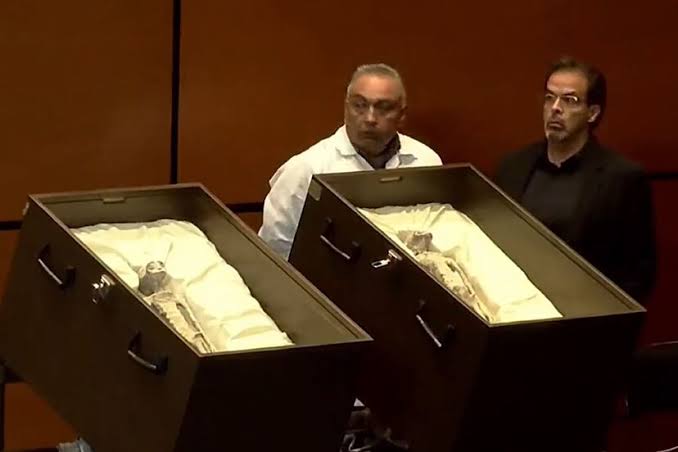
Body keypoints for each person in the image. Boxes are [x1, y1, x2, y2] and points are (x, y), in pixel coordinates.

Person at [495, 57, 656, 303]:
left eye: (569, 100)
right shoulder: (512, 167)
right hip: (514, 309)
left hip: (586, 313)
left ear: (592, 113)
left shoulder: (622, 178)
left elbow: (638, 272)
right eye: (549, 98)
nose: (555, 108)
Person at [259, 63, 442, 259]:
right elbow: (275, 252)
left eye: (383, 108)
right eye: (359, 105)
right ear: (346, 107)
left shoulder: (425, 161)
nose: (370, 118)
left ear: (402, 115)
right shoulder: (306, 169)